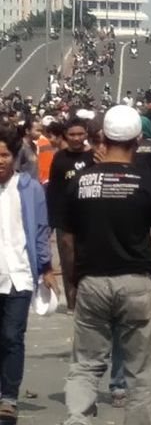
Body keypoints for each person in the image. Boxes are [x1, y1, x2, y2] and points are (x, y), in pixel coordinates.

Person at [61, 105, 151, 425]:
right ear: (137, 139)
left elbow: (67, 239)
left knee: (85, 363)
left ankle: (77, 418)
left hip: (92, 281)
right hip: (137, 283)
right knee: (140, 370)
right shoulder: (149, 182)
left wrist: (72, 281)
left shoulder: (79, 182)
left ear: (102, 137)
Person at [0, 124, 53, 423]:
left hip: (20, 275)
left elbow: (41, 231)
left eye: (4, 155)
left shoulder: (29, 188)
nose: (0, 161)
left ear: (13, 156)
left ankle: (9, 397)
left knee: (11, 335)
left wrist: (46, 267)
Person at [45, 117, 93, 312]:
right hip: (66, 219)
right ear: (65, 135)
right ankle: (73, 303)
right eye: (72, 134)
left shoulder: (93, 157)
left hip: (90, 217)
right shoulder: (59, 158)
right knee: (69, 262)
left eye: (80, 134)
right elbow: (54, 190)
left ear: (86, 134)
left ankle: (91, 300)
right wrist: (51, 220)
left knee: (90, 260)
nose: (76, 138)